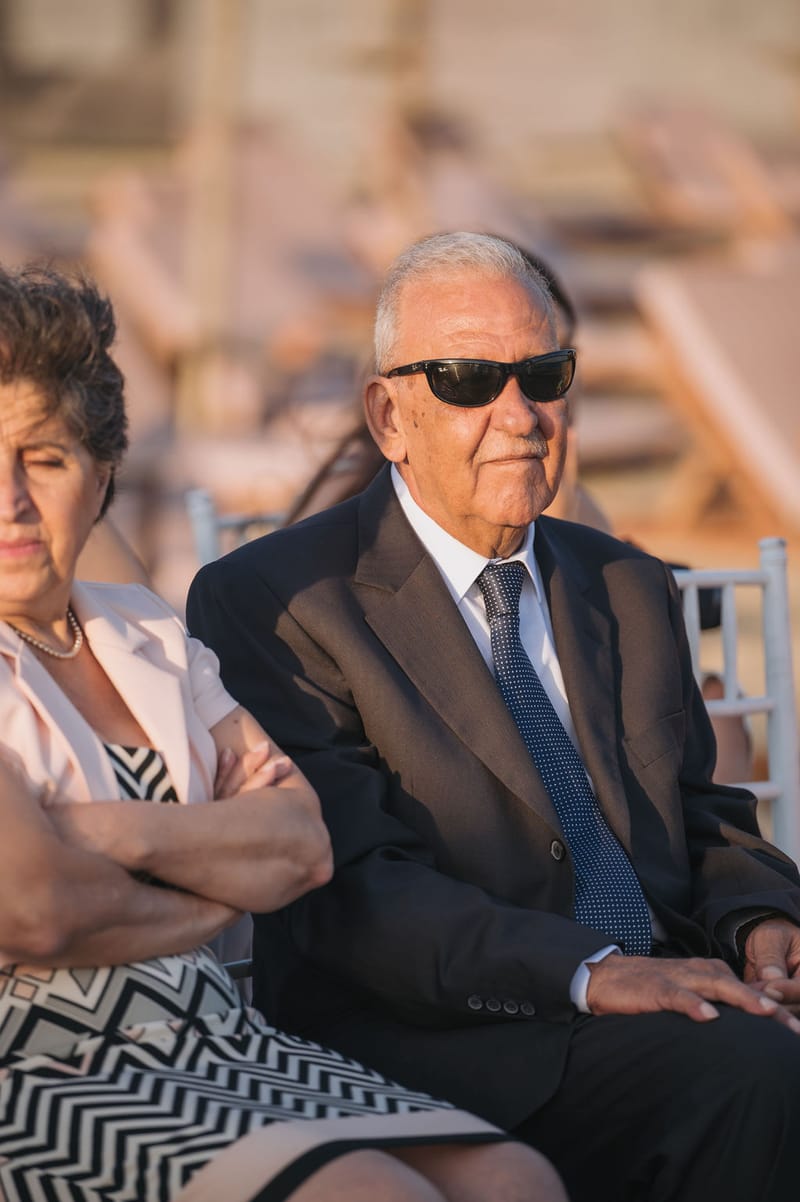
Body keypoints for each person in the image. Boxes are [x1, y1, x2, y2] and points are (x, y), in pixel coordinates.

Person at [189, 232, 800, 1202]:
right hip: (444, 1036)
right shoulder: (278, 601)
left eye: (541, 373)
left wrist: (761, 918)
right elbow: (353, 890)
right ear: (388, 414)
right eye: (469, 378)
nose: (517, 414)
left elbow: (704, 817)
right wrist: (589, 971)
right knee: (756, 1075)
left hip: (672, 1000)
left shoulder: (626, 583)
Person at [0, 264, 567, 1202]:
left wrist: (97, 834)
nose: (13, 502)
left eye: (45, 459)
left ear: (100, 477)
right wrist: (212, 894)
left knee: (515, 1179)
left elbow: (299, 847)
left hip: (216, 1039)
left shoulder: (144, 635)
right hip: (43, 1071)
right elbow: (37, 911)